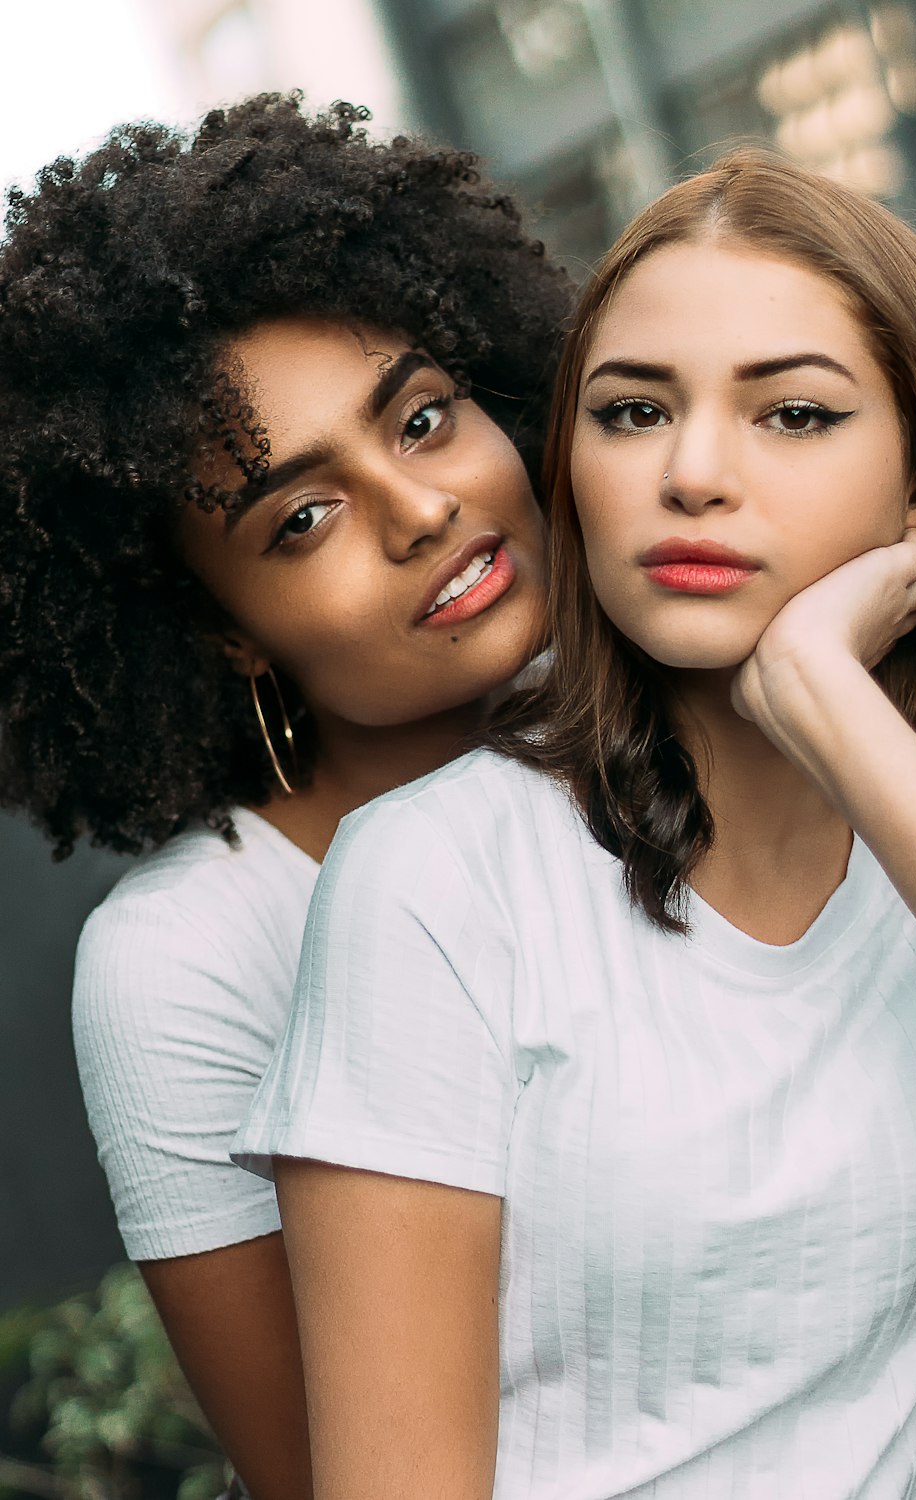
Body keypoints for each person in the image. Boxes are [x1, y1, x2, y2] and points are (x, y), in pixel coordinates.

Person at [234, 147, 916, 1499]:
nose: (692, 473)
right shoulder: (434, 882)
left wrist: (832, 702)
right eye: (634, 412)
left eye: (796, 415)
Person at [0, 94, 571, 1500]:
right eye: (300, 518)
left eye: (424, 418)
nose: (421, 507)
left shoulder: (697, 733)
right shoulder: (190, 965)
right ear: (221, 628)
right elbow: (322, 1474)